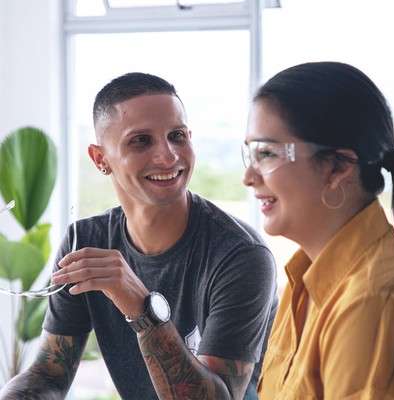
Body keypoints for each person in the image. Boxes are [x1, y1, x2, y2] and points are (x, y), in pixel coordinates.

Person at [0, 72, 278, 399]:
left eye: (177, 135)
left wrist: (143, 311)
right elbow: (48, 374)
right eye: (141, 140)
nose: (168, 155)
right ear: (101, 159)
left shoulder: (241, 255)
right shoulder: (85, 241)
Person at [241, 61, 394, 399]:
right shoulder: (304, 277)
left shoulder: (372, 301)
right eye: (251, 153)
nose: (249, 177)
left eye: (267, 153)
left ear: (337, 167)